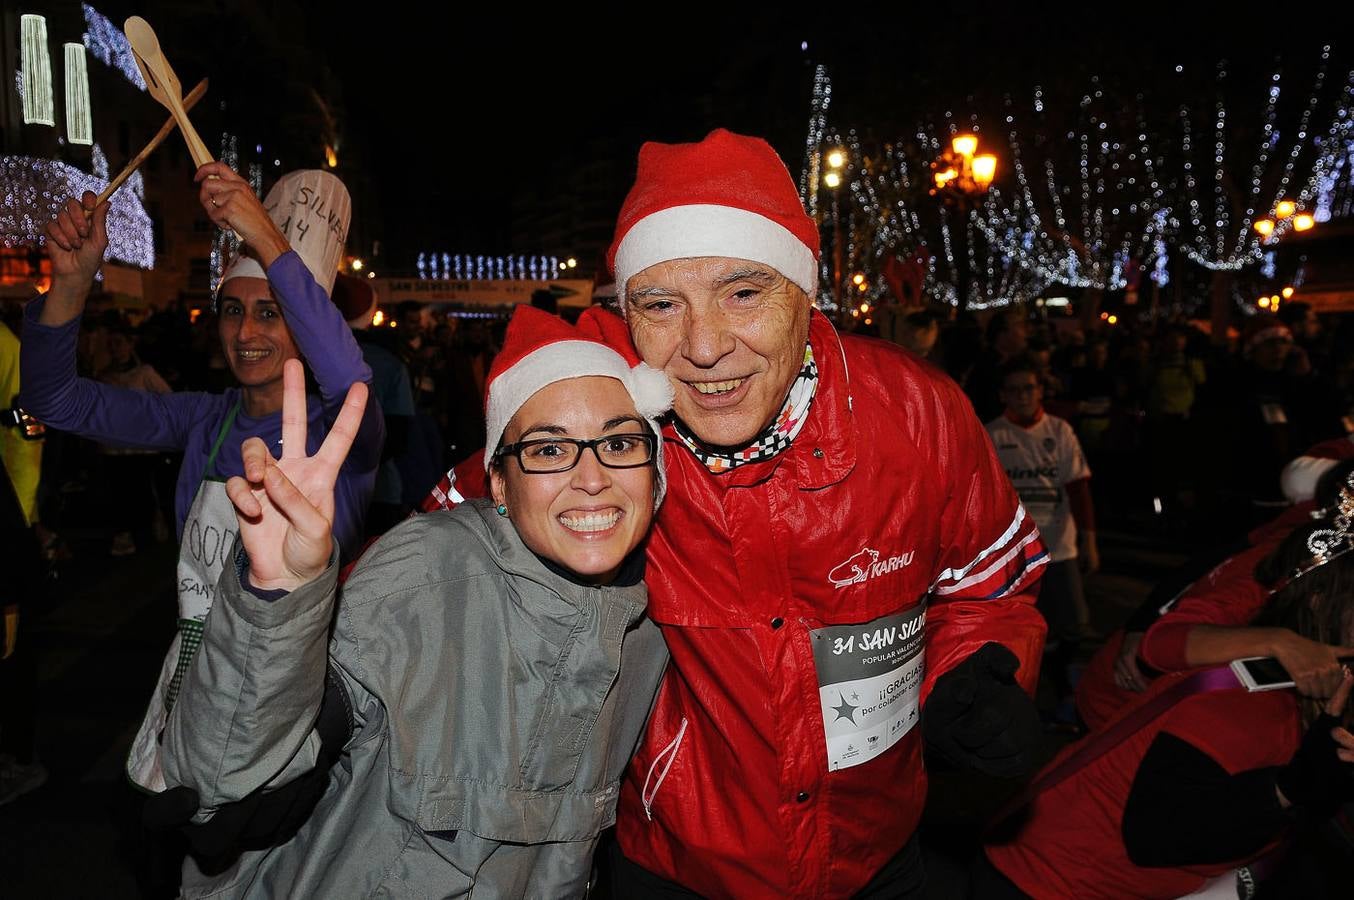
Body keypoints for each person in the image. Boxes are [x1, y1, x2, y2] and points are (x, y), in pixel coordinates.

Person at [426, 128, 1048, 897]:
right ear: (629, 316)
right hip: (678, 868)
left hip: (880, 859)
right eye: (661, 303)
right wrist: (308, 597)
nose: (705, 345)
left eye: (743, 292)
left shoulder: (919, 414)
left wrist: (981, 673)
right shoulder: (606, 429)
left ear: (803, 292)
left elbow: (990, 581)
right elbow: (442, 537)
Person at [161, 308, 673, 897]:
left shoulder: (651, 629)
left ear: (654, 473)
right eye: (549, 450)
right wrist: (276, 597)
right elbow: (219, 778)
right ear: (499, 485)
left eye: (619, 442)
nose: (591, 477)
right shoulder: (427, 571)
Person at [19, 166, 383, 797]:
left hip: (298, 698)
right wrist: (71, 286)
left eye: (272, 312)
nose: (246, 333)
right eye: (234, 311)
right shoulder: (202, 418)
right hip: (199, 684)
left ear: (306, 319)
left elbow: (350, 380)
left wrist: (268, 239)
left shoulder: (345, 434)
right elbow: (52, 401)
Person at [981, 475, 1354, 899]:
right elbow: (1160, 834)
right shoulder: (1257, 700)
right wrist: (1290, 789)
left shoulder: (1302, 682)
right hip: (1053, 877)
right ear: (1323, 602)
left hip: (1065, 848)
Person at [986, 357, 1097, 721]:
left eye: (1029, 388)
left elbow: (1078, 488)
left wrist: (1089, 540)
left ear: (1040, 391)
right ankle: (1022, 700)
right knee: (1019, 630)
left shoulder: (1060, 431)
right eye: (1014, 390)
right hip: (1014, 553)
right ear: (1003, 395)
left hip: (1059, 548)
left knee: (1072, 627)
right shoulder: (992, 434)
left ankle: (1068, 694)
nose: (1022, 396)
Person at [96, 319, 173, 556]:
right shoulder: (104, 376)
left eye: (119, 343)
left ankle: (153, 520)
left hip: (142, 445)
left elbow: (168, 398)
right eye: (111, 344)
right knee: (119, 491)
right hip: (114, 446)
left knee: (143, 488)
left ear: (131, 345)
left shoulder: (144, 373)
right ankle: (124, 532)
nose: (115, 349)